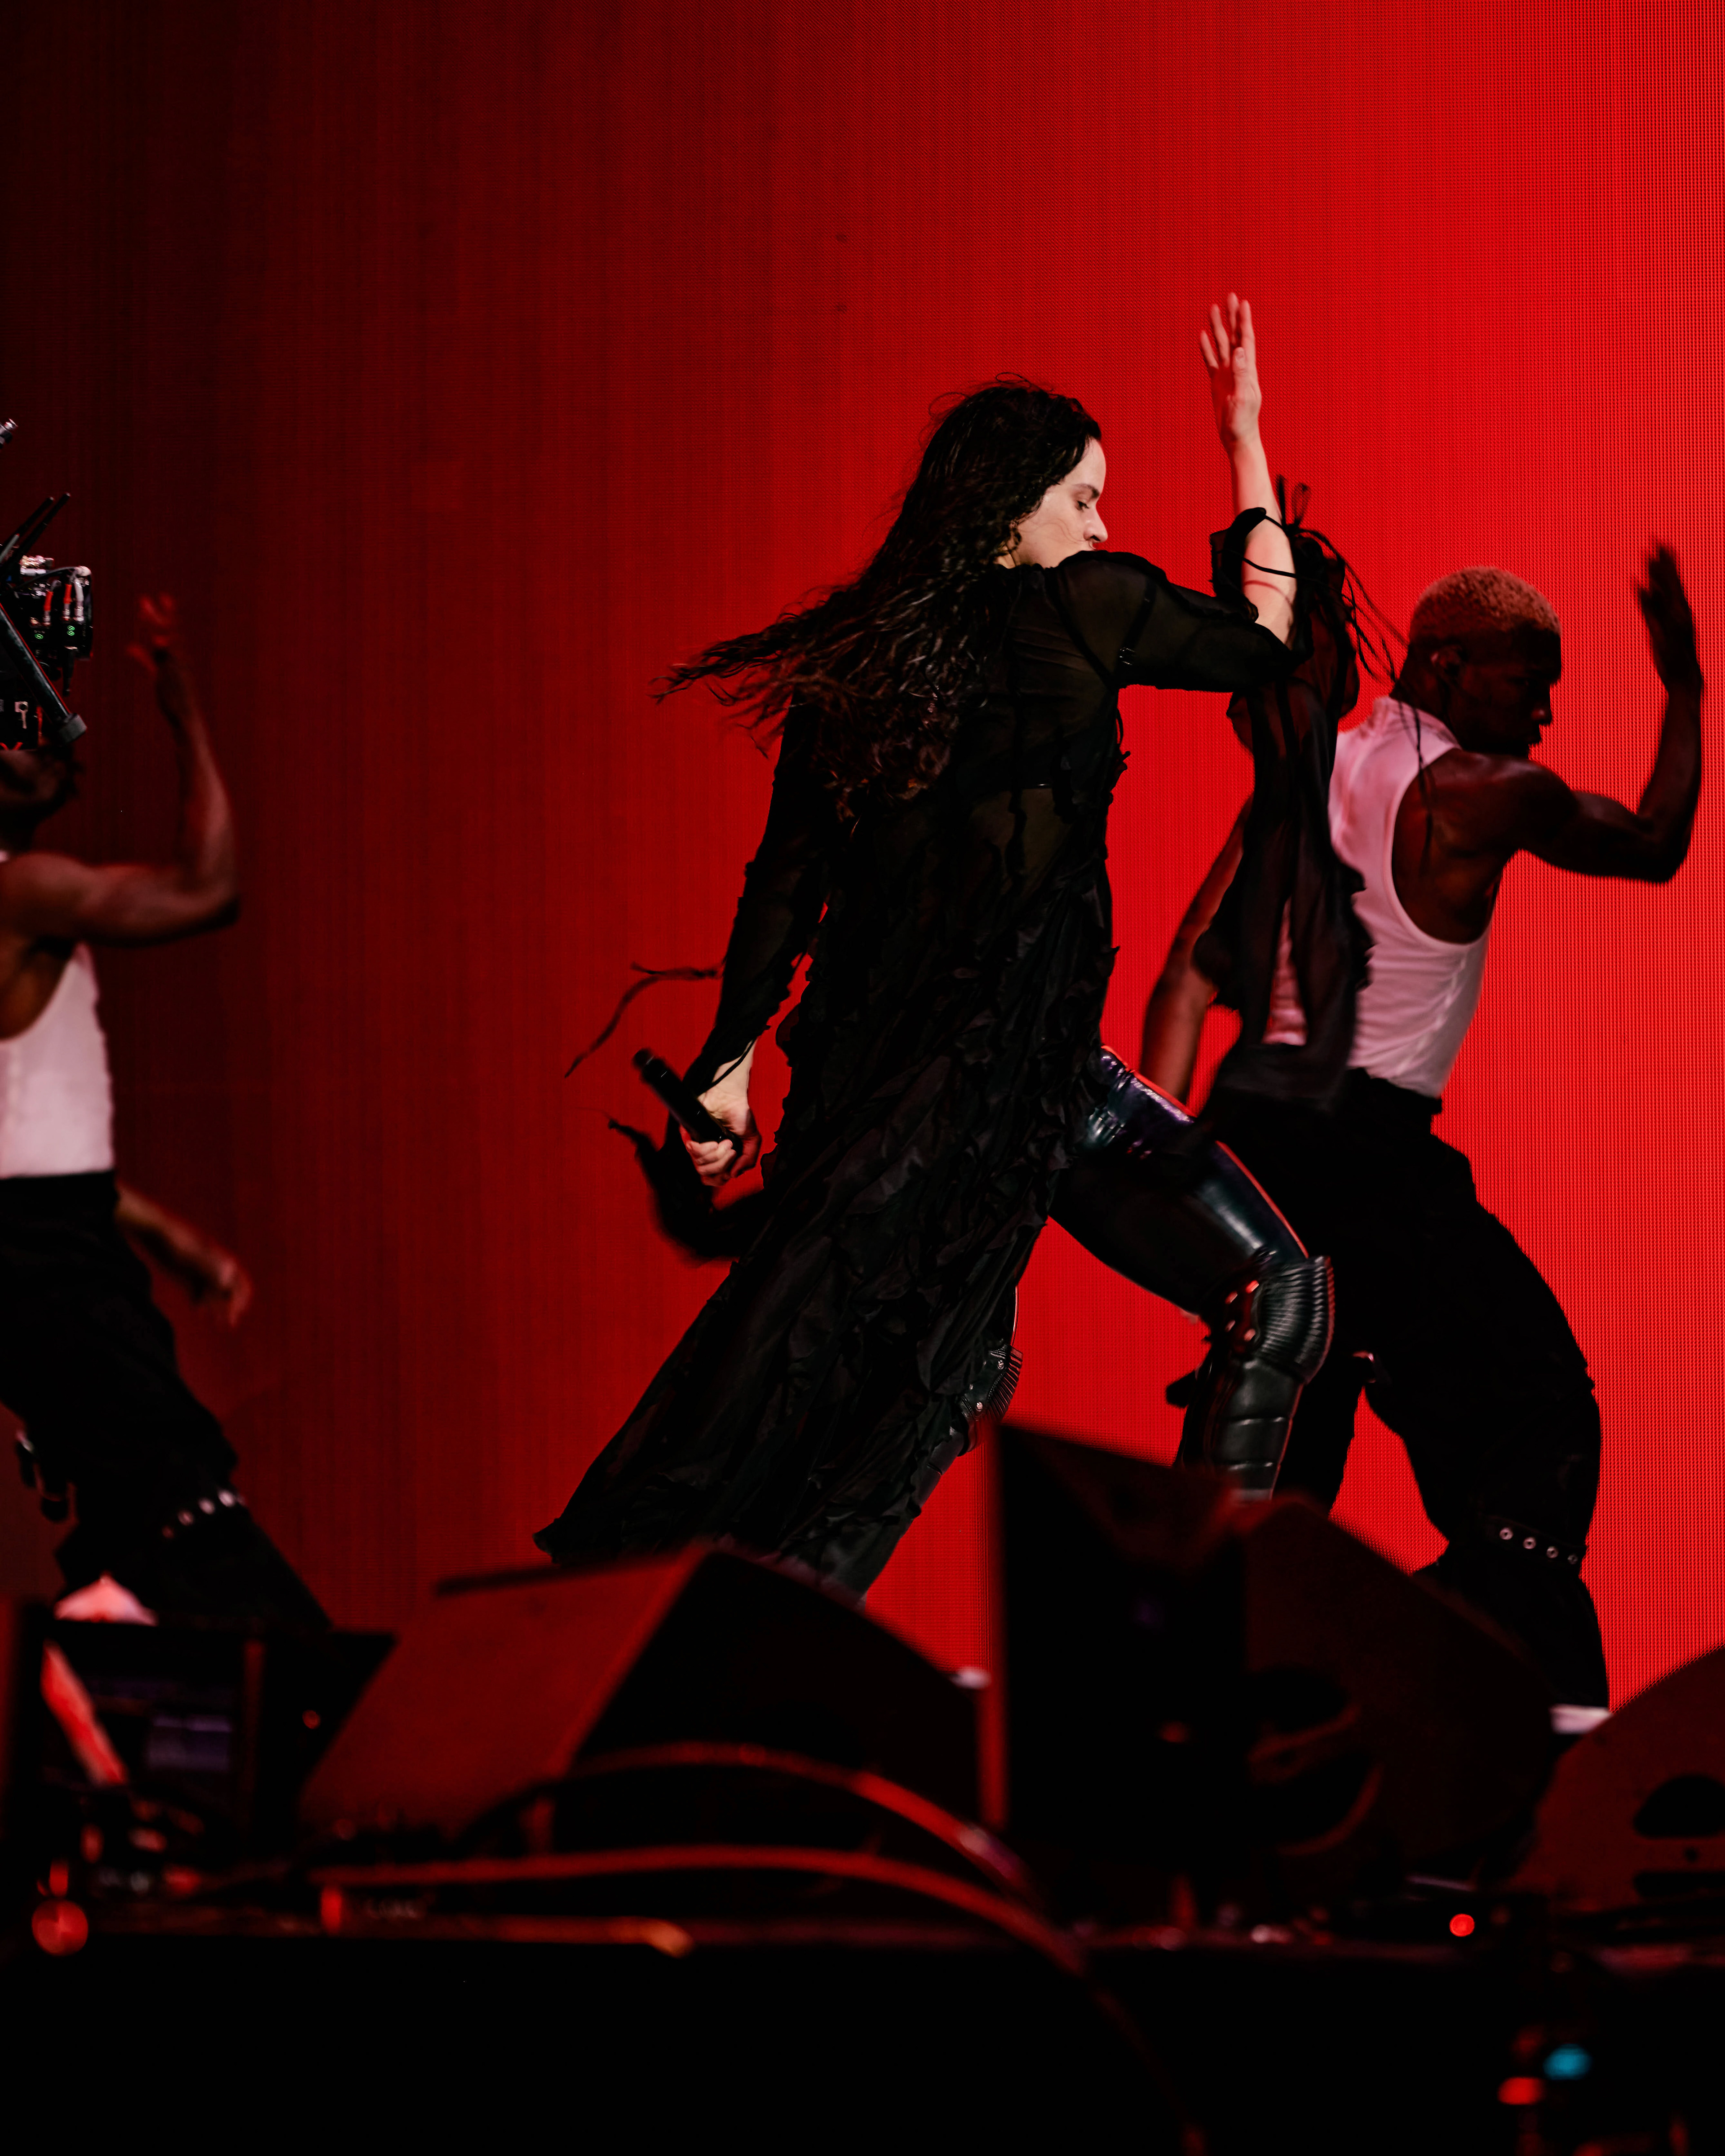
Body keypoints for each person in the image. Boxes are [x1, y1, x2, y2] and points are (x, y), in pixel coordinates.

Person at [540, 300, 1339, 1594]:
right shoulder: (1081, 608)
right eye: (1084, 499)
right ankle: (1192, 1646)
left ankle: (721, 1640)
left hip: (890, 1106)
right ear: (1011, 511)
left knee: (897, 1400)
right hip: (1016, 1093)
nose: (1102, 526)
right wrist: (1244, 441)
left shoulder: (865, 664)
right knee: (1248, 1306)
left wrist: (728, 1065)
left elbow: (785, 886)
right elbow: (1265, 642)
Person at [1141, 550, 1703, 1707]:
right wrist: (1688, 689)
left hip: (1260, 1144)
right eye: (1529, 685)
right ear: (1446, 664)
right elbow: (1653, 845)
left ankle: (1237, 1706)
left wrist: (1168, 1162)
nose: (1544, 715)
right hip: (1365, 1153)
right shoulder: (1481, 791)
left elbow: (1192, 965)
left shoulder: (1312, 773)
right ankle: (1428, 1683)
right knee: (1540, 1417)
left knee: (1294, 1451)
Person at [0, 593, 324, 1628]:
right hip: (46, 1263)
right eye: (16, 726)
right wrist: (186, 718)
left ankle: (102, 1645)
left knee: (144, 1507)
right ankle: (309, 1686)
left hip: (51, 1245)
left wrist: (166, 1236)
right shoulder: (23, 892)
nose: (49, 740)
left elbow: (23, 1145)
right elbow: (207, 889)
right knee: (185, 1507)